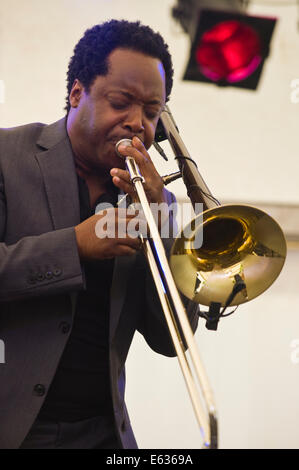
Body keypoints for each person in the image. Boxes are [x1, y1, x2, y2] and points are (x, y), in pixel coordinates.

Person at [0, 19, 199, 449]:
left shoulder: (156, 201)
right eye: (121, 102)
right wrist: (75, 246)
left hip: (102, 434)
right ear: (76, 94)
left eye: (151, 112)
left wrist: (162, 221)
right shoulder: (6, 156)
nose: (137, 124)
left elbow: (172, 340)